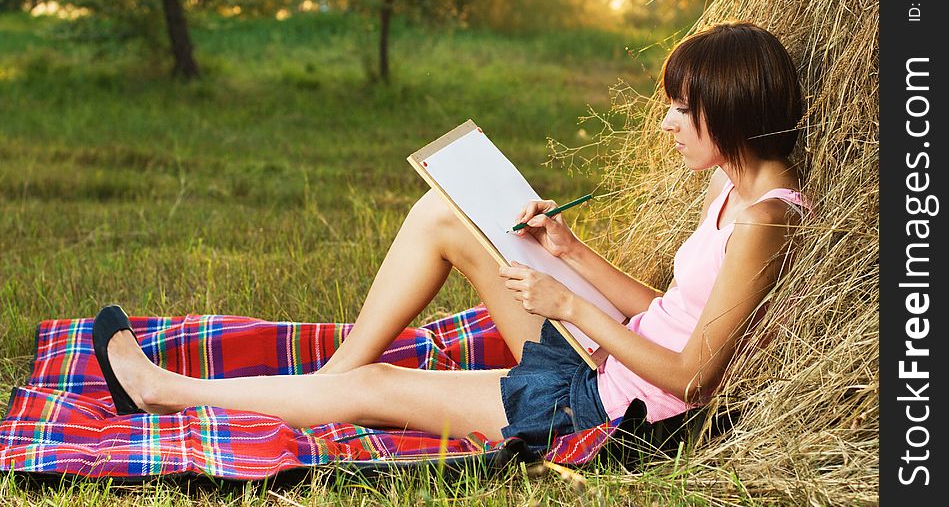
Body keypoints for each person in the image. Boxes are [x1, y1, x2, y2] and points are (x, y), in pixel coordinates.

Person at [93, 22, 807, 453]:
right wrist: (567, 249)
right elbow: (677, 307)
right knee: (441, 212)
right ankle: (327, 379)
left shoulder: (765, 218)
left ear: (731, 108)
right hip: (604, 355)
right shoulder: (731, 186)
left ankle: (162, 391)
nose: (667, 124)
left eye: (682, 109)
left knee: (379, 390)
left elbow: (692, 375)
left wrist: (571, 308)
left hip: (607, 411)